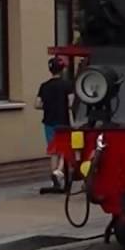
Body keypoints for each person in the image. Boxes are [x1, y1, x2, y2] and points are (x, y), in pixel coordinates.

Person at [35, 57, 74, 189]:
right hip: (63, 121)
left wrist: (47, 106)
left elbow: (37, 104)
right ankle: (59, 171)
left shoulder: (44, 86)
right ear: (62, 70)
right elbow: (71, 103)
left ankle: (53, 179)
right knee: (64, 148)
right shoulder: (67, 85)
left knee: (53, 150)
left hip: (48, 121)